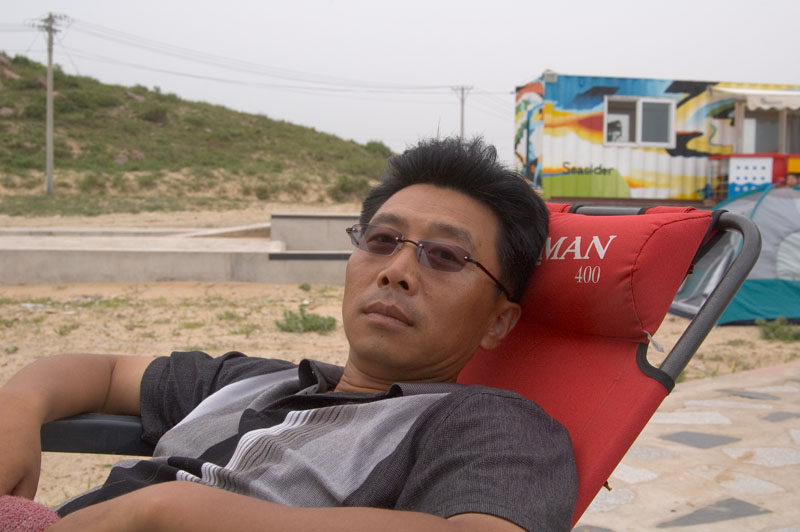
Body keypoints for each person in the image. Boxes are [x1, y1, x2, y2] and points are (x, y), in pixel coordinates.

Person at [0, 137, 577, 532]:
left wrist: (169, 512)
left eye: (445, 255)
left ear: (499, 322)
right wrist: (18, 407)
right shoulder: (254, 382)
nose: (396, 271)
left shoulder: (489, 423)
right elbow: (105, 373)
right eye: (381, 241)